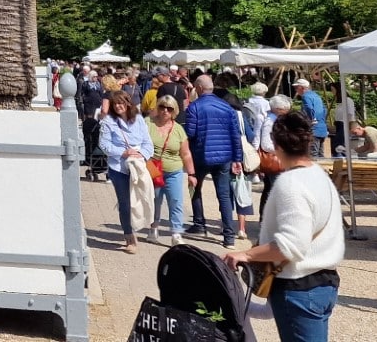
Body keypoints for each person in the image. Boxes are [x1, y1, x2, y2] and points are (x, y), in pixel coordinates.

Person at [224, 111, 343, 342]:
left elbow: (291, 246)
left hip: (299, 287)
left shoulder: (291, 184)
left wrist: (245, 255)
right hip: (324, 283)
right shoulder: (319, 176)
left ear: (276, 146)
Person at [181, 74, 245, 248]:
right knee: (224, 196)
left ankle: (199, 223)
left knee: (195, 188)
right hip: (224, 157)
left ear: (199, 88)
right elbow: (236, 135)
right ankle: (229, 237)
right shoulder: (227, 107)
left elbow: (190, 133)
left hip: (200, 156)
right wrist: (237, 159)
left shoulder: (194, 107)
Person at [98, 89, 154, 252]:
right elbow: (104, 145)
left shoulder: (139, 119)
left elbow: (148, 143)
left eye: (121, 103)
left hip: (139, 165)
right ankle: (129, 236)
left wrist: (141, 155)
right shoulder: (108, 121)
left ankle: (143, 225)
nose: (118, 106)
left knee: (143, 197)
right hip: (119, 167)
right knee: (125, 203)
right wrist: (123, 152)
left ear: (128, 103)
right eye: (115, 104)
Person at [147, 94, 195, 245]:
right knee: (155, 200)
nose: (165, 111)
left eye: (169, 108)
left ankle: (176, 233)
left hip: (174, 170)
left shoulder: (179, 129)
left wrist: (191, 173)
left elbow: (186, 154)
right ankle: (153, 227)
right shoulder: (148, 124)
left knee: (176, 201)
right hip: (152, 168)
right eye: (162, 107)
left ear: (174, 111)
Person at [78, 71, 106, 180]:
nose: (96, 78)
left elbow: (101, 94)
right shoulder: (86, 84)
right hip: (89, 107)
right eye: (94, 76)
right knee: (90, 125)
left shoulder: (98, 85)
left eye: (96, 76)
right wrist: (84, 101)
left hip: (97, 107)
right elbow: (82, 94)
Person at [294, 79, 329, 157]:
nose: (295, 90)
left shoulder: (305, 96)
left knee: (313, 154)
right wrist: (322, 120)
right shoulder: (316, 96)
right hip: (322, 128)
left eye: (296, 87)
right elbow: (324, 109)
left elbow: (309, 108)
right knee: (320, 154)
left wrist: (312, 119)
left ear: (302, 87)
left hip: (313, 129)